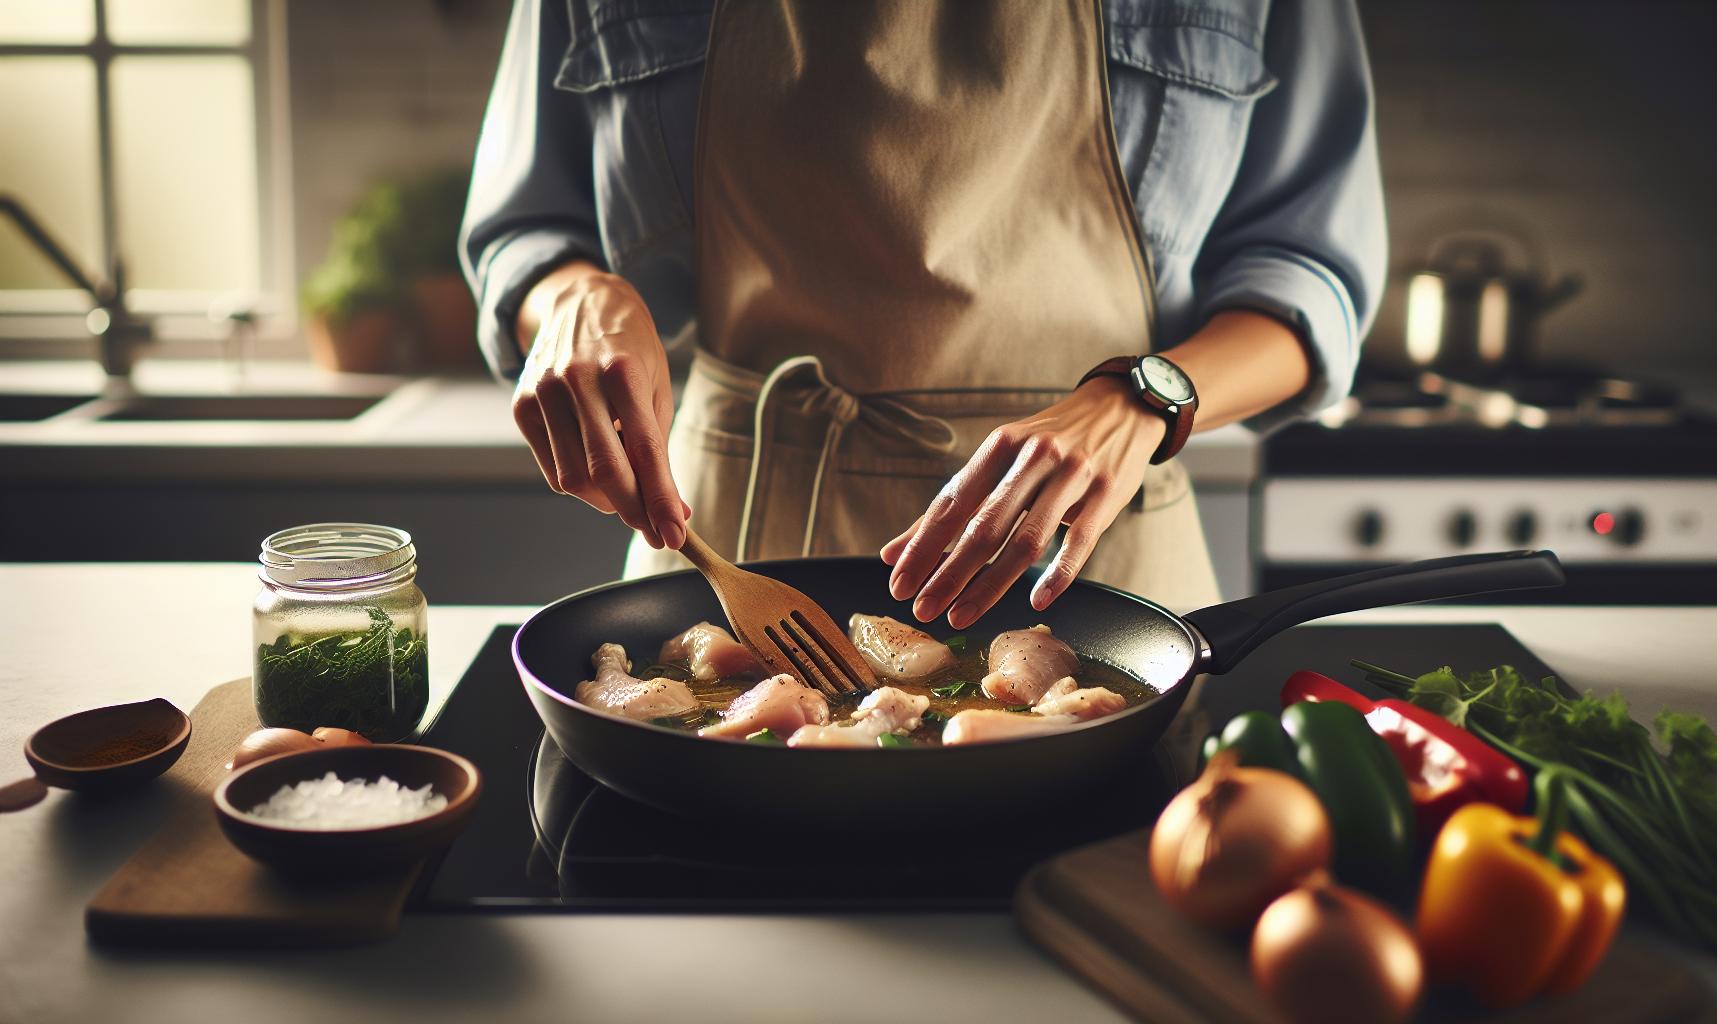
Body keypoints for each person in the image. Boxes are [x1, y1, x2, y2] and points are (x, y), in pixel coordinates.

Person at [461, 0, 1385, 627]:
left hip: (1094, 565)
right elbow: (529, 229)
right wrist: (575, 293)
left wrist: (1143, 397)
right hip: (730, 552)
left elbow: (1311, 278)